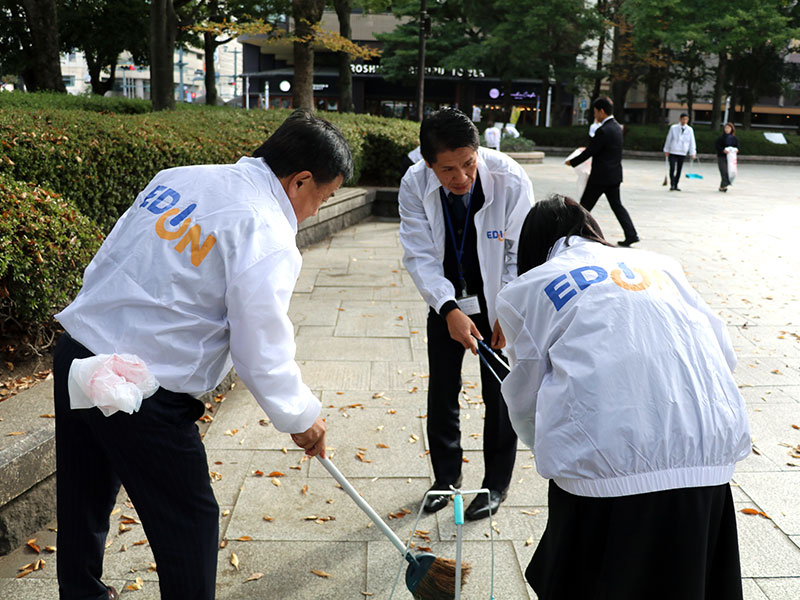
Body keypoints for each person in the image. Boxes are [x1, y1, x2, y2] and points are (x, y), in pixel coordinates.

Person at [53, 109, 352, 600]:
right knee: (190, 522)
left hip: (79, 351)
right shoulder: (267, 234)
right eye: (324, 195)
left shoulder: (178, 179)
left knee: (83, 496)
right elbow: (260, 348)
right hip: (141, 390)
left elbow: (113, 254)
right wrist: (302, 416)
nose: (318, 209)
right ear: (301, 181)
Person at [495, 195, 751, 599]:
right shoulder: (662, 266)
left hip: (604, 469)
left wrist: (540, 442)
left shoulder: (531, 286)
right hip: (709, 458)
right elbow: (725, 353)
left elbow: (526, 395)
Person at [399, 108, 534, 520]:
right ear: (427, 163)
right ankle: (445, 479)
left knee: (500, 392)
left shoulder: (510, 180)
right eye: (447, 170)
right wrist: (448, 309)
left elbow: (519, 253)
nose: (461, 178)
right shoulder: (414, 184)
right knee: (442, 388)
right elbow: (420, 255)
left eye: (469, 164)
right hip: (448, 301)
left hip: (497, 300)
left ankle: (495, 485)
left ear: (479, 152)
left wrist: (507, 310)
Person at [565, 96, 639, 247]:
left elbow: (590, 151)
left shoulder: (603, 130)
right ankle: (631, 234)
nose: (594, 115)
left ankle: (570, 234)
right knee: (617, 205)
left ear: (602, 111)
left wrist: (572, 162)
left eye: (595, 112)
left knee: (584, 206)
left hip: (600, 177)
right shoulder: (617, 128)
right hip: (614, 175)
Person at [663, 112, 697, 191]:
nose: (684, 121)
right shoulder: (673, 128)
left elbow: (692, 142)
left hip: (682, 151)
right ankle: (672, 183)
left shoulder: (689, 130)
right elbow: (669, 139)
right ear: (680, 119)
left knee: (679, 169)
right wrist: (666, 149)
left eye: (686, 119)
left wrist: (693, 152)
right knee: (672, 168)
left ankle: (676, 184)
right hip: (673, 150)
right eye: (683, 119)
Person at [716, 122, 739, 192]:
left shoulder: (734, 138)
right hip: (722, 156)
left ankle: (723, 186)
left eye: (728, 128)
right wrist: (723, 150)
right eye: (726, 128)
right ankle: (724, 185)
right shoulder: (721, 138)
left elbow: (737, 147)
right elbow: (717, 146)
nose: (727, 129)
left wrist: (735, 150)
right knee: (724, 171)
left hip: (731, 157)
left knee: (730, 171)